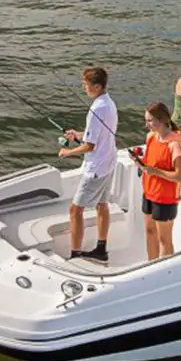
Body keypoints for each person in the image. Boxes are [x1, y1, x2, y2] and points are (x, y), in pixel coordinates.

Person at [58, 66, 118, 263]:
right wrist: (78, 135)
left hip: (96, 169)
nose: (84, 87)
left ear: (97, 86)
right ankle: (101, 249)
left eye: (86, 84)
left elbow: (90, 146)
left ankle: (75, 255)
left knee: (75, 210)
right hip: (109, 163)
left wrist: (68, 152)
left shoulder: (95, 109)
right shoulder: (109, 103)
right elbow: (97, 136)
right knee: (102, 205)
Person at [133, 103, 181, 260]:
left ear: (162, 120)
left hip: (165, 198)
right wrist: (139, 162)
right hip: (149, 192)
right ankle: (150, 265)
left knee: (164, 239)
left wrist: (155, 172)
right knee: (150, 231)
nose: (146, 125)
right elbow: (149, 164)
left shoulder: (174, 144)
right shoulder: (151, 137)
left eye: (150, 121)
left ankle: (165, 272)